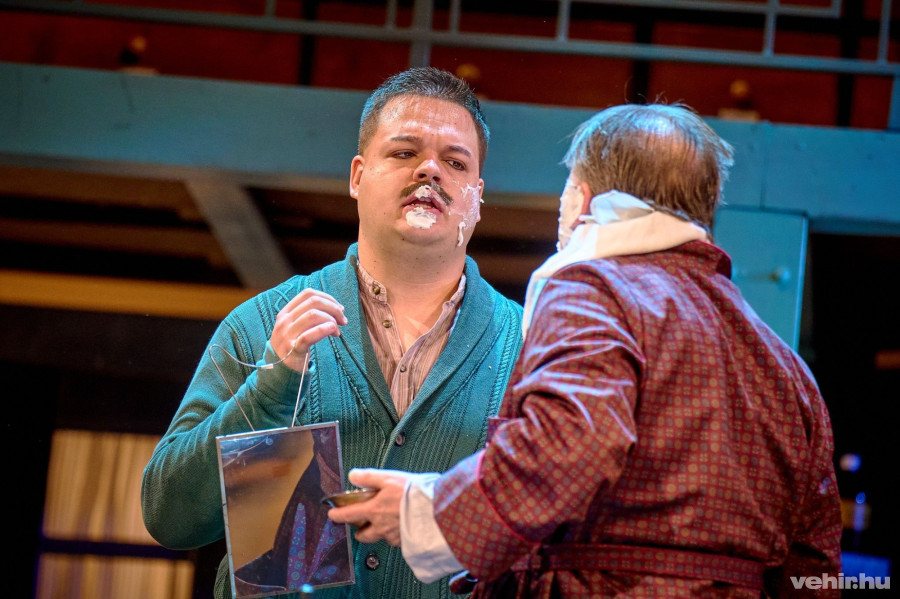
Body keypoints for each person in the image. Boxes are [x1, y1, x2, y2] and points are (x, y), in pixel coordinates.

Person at [328, 103, 843, 597]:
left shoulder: (594, 292)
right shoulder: (785, 366)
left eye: (566, 190)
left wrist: (426, 510)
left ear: (586, 199)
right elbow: (816, 565)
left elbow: (572, 441)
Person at [141, 66, 524, 599]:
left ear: (477, 196)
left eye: (455, 162)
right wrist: (268, 391)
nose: (430, 170)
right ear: (357, 176)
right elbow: (170, 516)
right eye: (404, 152)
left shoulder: (529, 346)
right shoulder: (263, 324)